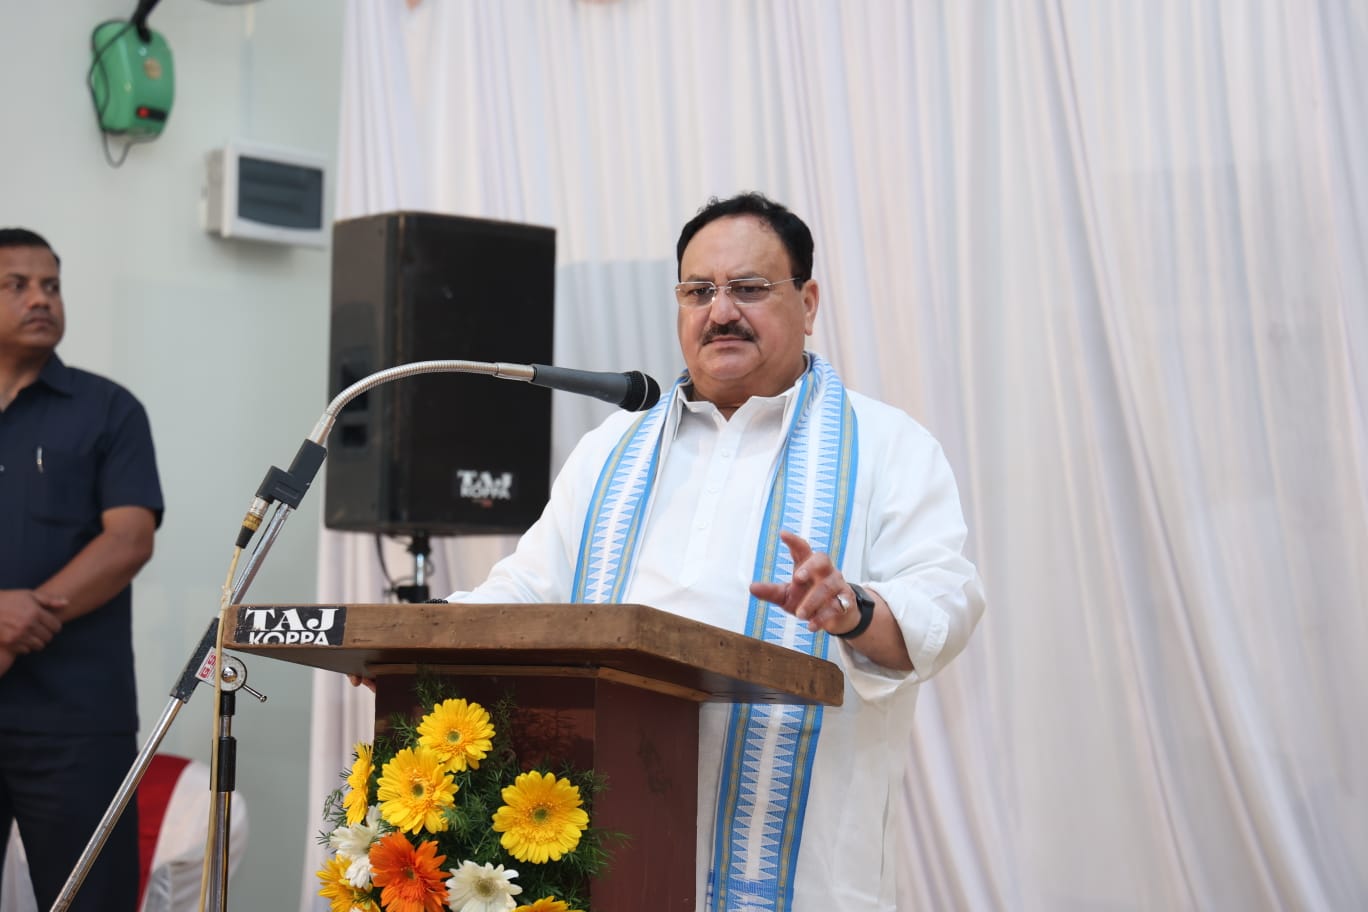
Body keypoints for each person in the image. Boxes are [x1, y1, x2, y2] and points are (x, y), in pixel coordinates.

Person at [425, 193, 985, 909]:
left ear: (808, 303)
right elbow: (530, 592)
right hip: (615, 845)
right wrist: (428, 635)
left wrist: (852, 610)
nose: (720, 311)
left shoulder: (888, 446)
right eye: (699, 292)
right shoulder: (610, 452)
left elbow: (944, 604)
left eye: (749, 289)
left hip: (802, 868)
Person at [0, 228, 164, 912]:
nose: (41, 299)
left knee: (89, 903)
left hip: (74, 723)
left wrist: (17, 622)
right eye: (17, 285)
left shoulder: (109, 410)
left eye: (52, 285)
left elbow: (129, 540)